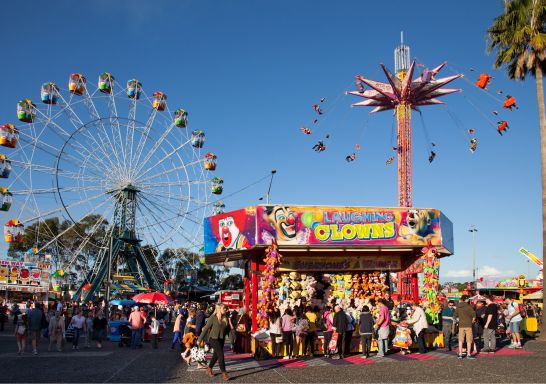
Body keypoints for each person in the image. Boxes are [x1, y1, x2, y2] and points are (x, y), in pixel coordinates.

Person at [198, 303, 230, 382]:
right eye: (224, 308)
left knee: (216, 355)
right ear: (219, 309)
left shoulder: (225, 317)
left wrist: (233, 338)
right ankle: (224, 373)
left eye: (225, 308)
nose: (225, 310)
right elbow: (205, 329)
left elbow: (227, 329)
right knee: (220, 354)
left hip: (221, 339)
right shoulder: (213, 317)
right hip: (213, 338)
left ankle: (209, 369)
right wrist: (199, 339)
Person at [455, 295, 476, 359]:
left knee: (461, 340)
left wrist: (459, 319)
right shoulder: (469, 306)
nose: (469, 300)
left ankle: (460, 354)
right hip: (468, 325)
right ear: (466, 299)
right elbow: (474, 315)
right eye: (468, 299)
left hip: (461, 325)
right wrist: (472, 321)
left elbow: (455, 316)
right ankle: (468, 354)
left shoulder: (458, 306)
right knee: (469, 340)